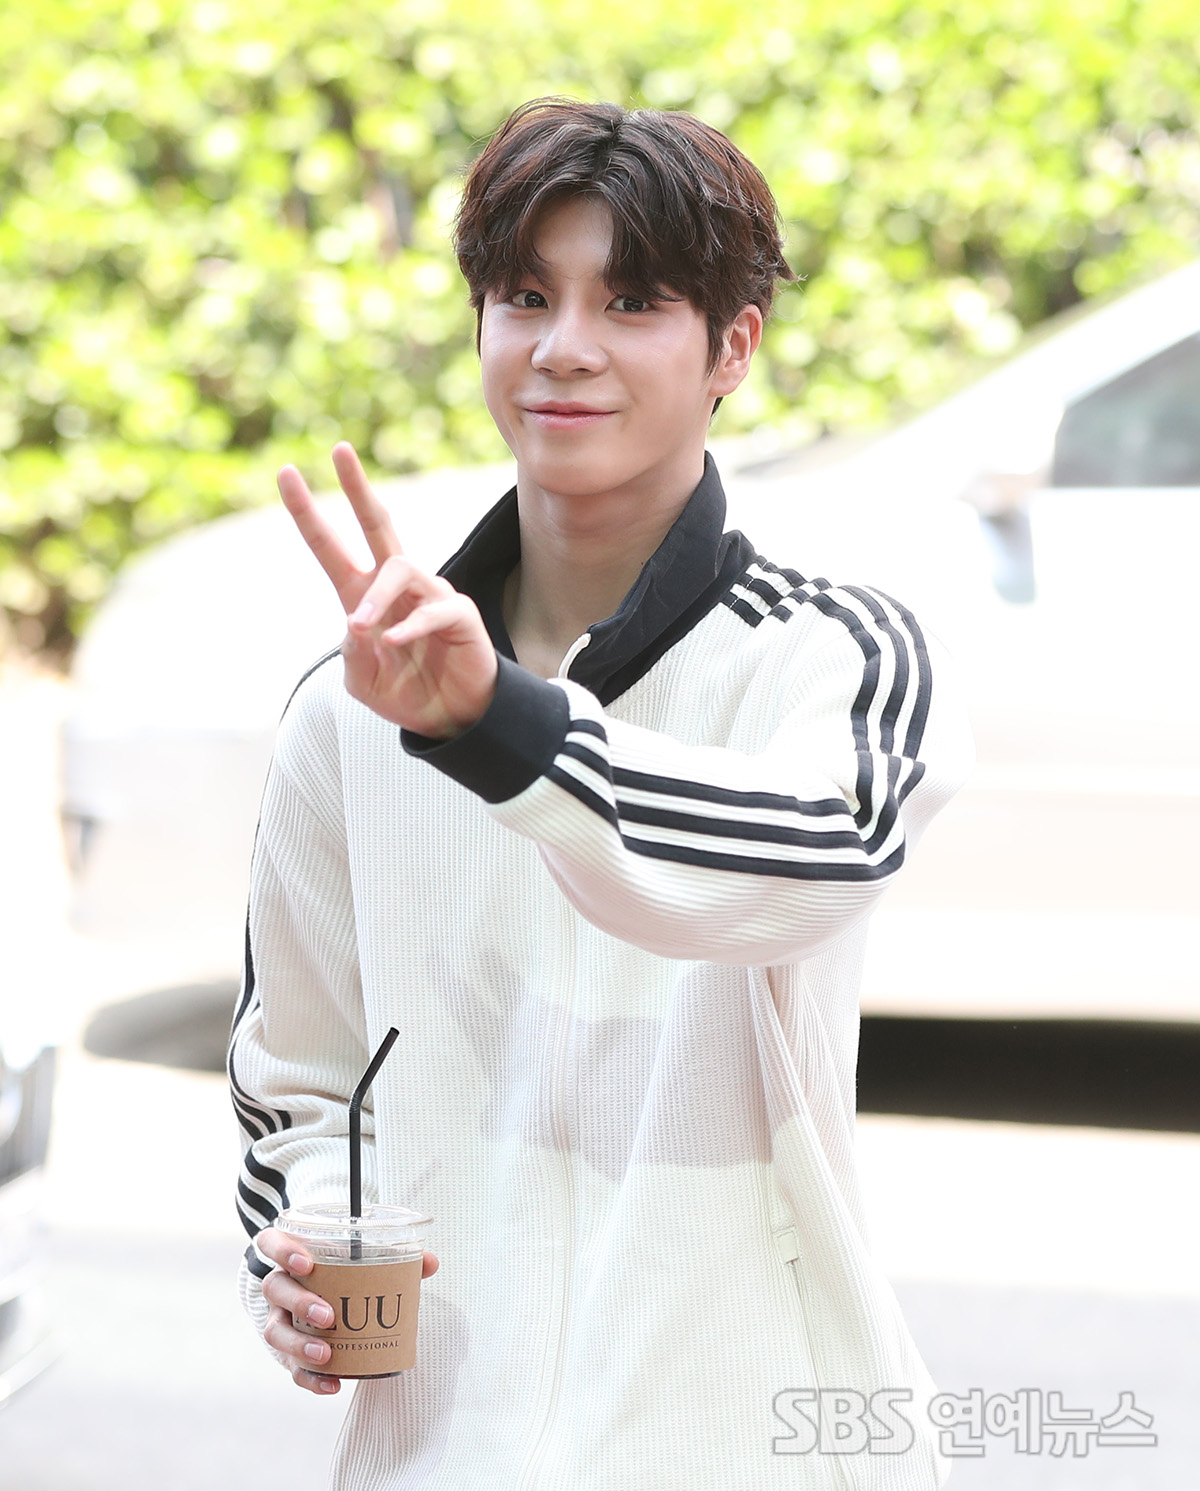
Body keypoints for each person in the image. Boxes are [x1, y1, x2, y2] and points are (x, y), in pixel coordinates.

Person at [230, 96, 973, 1490]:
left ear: (733, 346)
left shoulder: (832, 652)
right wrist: (305, 1252)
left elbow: (813, 856)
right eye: (526, 296)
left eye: (631, 301)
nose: (564, 346)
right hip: (442, 1450)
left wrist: (504, 730)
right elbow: (300, 1079)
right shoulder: (349, 706)